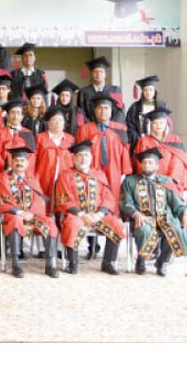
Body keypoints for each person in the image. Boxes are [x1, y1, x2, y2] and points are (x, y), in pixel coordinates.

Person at [54, 140, 124, 275]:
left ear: (91, 158)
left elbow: (108, 198)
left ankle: (108, 263)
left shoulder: (99, 174)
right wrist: (82, 214)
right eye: (79, 155)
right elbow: (63, 199)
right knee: (72, 225)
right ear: (73, 158)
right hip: (77, 215)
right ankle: (72, 263)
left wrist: (99, 214)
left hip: (98, 215)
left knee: (116, 224)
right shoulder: (65, 175)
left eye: (86, 155)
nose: (83, 158)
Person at [0, 145, 59, 278]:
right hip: (12, 215)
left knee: (50, 222)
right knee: (16, 220)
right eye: (16, 160)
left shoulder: (32, 179)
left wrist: (32, 214)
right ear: (11, 162)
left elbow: (39, 199)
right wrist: (20, 213)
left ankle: (50, 264)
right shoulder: (3, 178)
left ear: (27, 163)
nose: (19, 163)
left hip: (32, 215)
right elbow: (0, 199)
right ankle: (16, 264)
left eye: (22, 161)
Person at [121, 147, 187, 276]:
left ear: (157, 165)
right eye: (144, 162)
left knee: (175, 230)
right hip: (144, 218)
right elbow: (125, 203)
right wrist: (136, 214)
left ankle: (162, 262)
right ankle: (141, 260)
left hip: (165, 218)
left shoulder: (166, 181)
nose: (147, 165)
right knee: (144, 230)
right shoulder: (130, 181)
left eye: (150, 162)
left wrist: (184, 213)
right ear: (140, 164)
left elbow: (176, 203)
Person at [76, 94, 132, 212]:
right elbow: (78, 152)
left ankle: (113, 220)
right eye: (100, 108)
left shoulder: (120, 129)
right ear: (95, 110)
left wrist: (125, 172)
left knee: (114, 196)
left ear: (111, 111)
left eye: (106, 108)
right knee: (93, 194)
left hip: (114, 169)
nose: (103, 111)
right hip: (91, 168)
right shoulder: (85, 129)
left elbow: (125, 151)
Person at [134, 107, 187, 193]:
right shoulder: (144, 141)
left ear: (166, 124)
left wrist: (170, 180)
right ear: (151, 125)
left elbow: (179, 162)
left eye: (161, 122)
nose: (158, 125)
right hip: (150, 182)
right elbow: (140, 163)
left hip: (172, 183)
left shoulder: (175, 140)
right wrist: (151, 179)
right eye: (155, 123)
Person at [34, 106, 74, 200]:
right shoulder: (39, 138)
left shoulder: (70, 140)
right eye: (54, 120)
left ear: (64, 123)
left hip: (65, 180)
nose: (58, 123)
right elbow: (34, 160)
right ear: (48, 123)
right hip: (44, 178)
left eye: (60, 120)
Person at [77, 56, 125, 123]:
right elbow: (81, 112)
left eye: (101, 71)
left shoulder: (115, 90)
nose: (98, 74)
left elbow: (120, 111)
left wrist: (109, 126)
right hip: (90, 129)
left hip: (111, 129)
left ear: (105, 74)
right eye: (95, 72)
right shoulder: (84, 92)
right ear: (91, 74)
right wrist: (91, 127)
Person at [126, 75, 169, 148]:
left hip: (159, 141)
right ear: (142, 91)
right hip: (141, 141)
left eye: (151, 90)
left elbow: (168, 123)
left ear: (154, 91)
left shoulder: (162, 106)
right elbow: (130, 125)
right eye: (145, 90)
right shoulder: (135, 107)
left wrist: (162, 136)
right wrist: (137, 138)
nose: (148, 92)